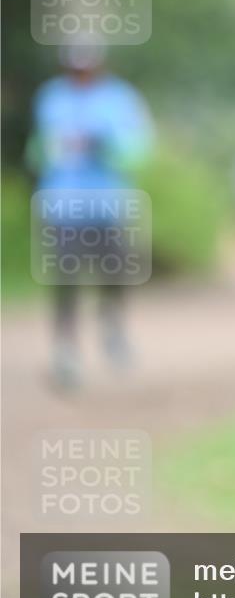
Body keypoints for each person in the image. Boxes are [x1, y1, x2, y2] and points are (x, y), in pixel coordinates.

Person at [26, 40, 153, 391]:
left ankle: (112, 326)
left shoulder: (120, 99)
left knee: (115, 274)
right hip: (63, 203)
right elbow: (38, 150)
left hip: (107, 203)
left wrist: (104, 145)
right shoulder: (51, 97)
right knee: (65, 277)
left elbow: (138, 150)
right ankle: (65, 347)